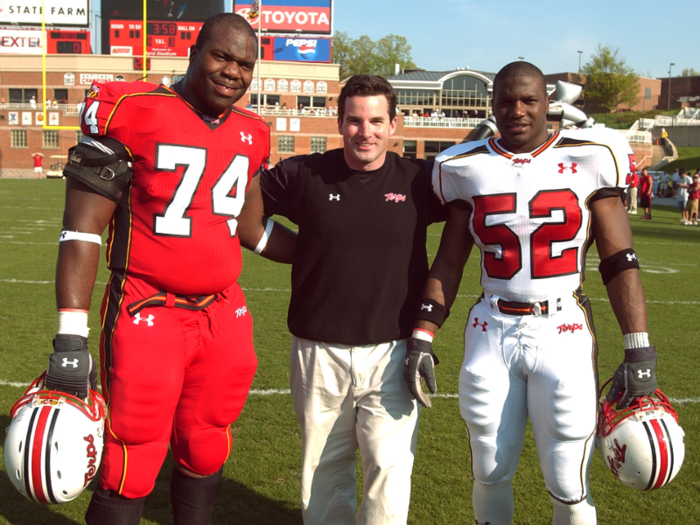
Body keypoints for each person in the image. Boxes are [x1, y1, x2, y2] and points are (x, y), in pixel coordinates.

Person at [45, 13, 295, 525]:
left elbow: (253, 231)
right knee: (130, 457)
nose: (232, 72)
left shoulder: (253, 131)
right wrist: (71, 337)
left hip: (223, 314)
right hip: (147, 305)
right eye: (221, 56)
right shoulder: (130, 109)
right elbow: (82, 229)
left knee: (207, 447)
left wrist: (323, 251)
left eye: (245, 64)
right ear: (193, 51)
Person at [407, 62, 658, 525]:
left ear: (548, 103)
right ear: (493, 104)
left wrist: (638, 349)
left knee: (567, 482)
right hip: (491, 325)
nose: (516, 110)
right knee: (488, 470)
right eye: (505, 101)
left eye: (528, 100)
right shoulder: (463, 165)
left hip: (561, 326)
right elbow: (449, 261)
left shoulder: (592, 155)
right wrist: (423, 334)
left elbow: (619, 259)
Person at [237, 74, 446, 525]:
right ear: (339, 122)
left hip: (392, 351)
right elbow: (246, 219)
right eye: (354, 120)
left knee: (388, 471)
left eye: (375, 121)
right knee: (323, 472)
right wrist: (304, 252)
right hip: (318, 350)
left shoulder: (421, 179)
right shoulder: (305, 173)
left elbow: (477, 202)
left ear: (395, 125)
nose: (364, 131)